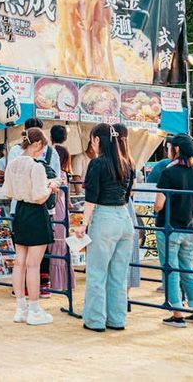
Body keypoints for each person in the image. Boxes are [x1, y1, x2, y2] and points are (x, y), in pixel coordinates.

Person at [75, 124, 134, 332]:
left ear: (97, 140)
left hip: (104, 218)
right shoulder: (127, 164)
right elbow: (127, 196)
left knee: (97, 273)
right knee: (119, 275)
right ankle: (117, 320)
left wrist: (83, 224)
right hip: (124, 219)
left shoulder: (96, 164)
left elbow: (90, 199)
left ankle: (95, 320)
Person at [2, 128, 59, 326]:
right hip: (36, 214)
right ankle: (34, 309)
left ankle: (21, 308)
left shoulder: (13, 164)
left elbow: (7, 192)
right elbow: (40, 196)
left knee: (20, 263)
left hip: (20, 213)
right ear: (37, 145)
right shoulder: (36, 167)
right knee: (33, 265)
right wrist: (52, 186)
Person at [155, 133, 193, 327]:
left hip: (169, 228)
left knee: (170, 271)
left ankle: (177, 314)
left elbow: (159, 204)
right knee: (188, 269)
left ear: (176, 149)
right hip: (189, 227)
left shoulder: (168, 172)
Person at [113, 123, 141, 292]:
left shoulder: (107, 161)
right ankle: (125, 294)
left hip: (111, 207)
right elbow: (133, 190)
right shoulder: (130, 161)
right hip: (127, 206)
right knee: (128, 249)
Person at [48, 144, 74, 293]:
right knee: (61, 245)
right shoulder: (64, 175)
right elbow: (69, 200)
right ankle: (64, 281)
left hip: (55, 209)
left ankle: (56, 281)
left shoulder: (58, 177)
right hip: (62, 210)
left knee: (55, 244)